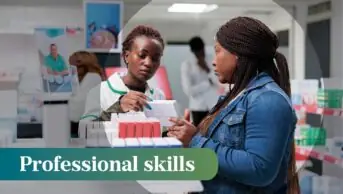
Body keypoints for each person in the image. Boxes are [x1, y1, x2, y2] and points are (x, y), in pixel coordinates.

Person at [167, 17, 299, 194]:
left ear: (238, 54)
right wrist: (192, 138)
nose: (214, 61)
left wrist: (196, 141)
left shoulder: (267, 100)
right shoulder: (239, 95)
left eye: (218, 51)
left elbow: (259, 169)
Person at [81, 25, 165, 122]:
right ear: (126, 56)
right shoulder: (100, 92)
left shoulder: (158, 96)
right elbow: (85, 131)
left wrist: (178, 133)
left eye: (155, 58)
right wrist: (118, 108)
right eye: (142, 55)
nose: (149, 63)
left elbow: (162, 131)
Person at [180, 37, 221, 127]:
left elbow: (219, 82)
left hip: (213, 105)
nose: (201, 54)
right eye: (198, 52)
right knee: (198, 135)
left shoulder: (212, 60)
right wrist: (207, 84)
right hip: (197, 107)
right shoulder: (187, 65)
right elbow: (188, 90)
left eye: (202, 50)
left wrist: (207, 69)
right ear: (193, 51)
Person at [68, 51, 104, 136]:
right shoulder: (78, 78)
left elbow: (79, 103)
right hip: (77, 125)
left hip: (84, 125)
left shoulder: (93, 77)